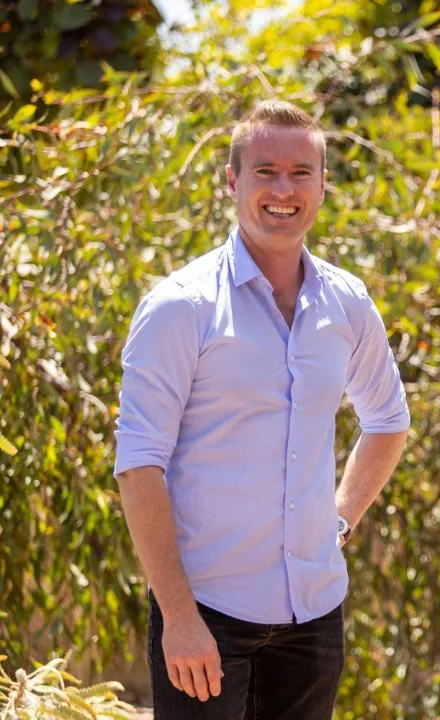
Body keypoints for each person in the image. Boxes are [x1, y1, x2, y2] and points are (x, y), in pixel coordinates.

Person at [114, 100, 410, 720]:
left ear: (324, 185)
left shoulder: (348, 303)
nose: (284, 189)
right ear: (232, 181)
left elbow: (387, 421)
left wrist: (339, 523)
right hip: (207, 615)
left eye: (301, 172)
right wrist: (179, 616)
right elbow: (139, 465)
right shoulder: (181, 306)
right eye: (265, 171)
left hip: (313, 616)